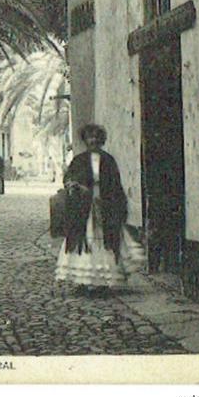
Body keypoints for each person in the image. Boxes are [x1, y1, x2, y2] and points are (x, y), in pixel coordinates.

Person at [55, 123, 144, 295]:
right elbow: (69, 178)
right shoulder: (78, 160)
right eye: (90, 137)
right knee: (84, 242)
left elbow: (115, 185)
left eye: (96, 137)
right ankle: (82, 281)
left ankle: (102, 281)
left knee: (104, 243)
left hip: (104, 208)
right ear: (85, 140)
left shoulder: (109, 160)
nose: (93, 140)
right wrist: (73, 185)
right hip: (83, 210)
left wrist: (114, 205)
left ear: (101, 140)